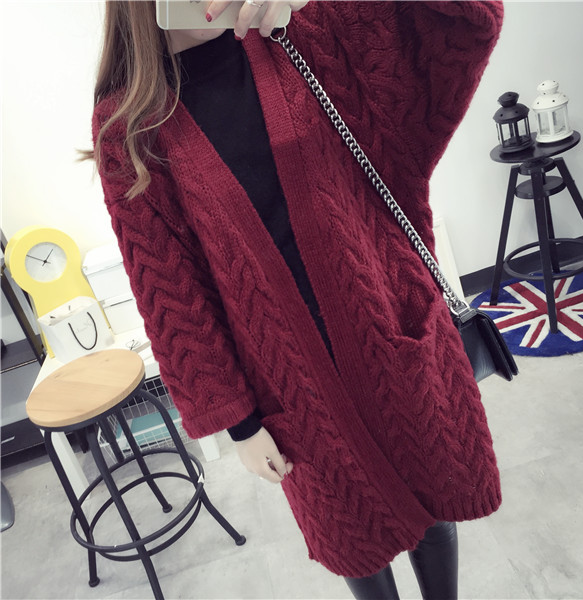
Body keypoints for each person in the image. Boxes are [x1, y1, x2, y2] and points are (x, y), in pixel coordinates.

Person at [84, 1, 504, 598]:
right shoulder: (127, 126)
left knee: (434, 501)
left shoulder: (307, 30)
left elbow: (470, 19)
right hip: (290, 388)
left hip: (390, 328)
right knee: (354, 538)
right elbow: (170, 291)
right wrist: (238, 423)